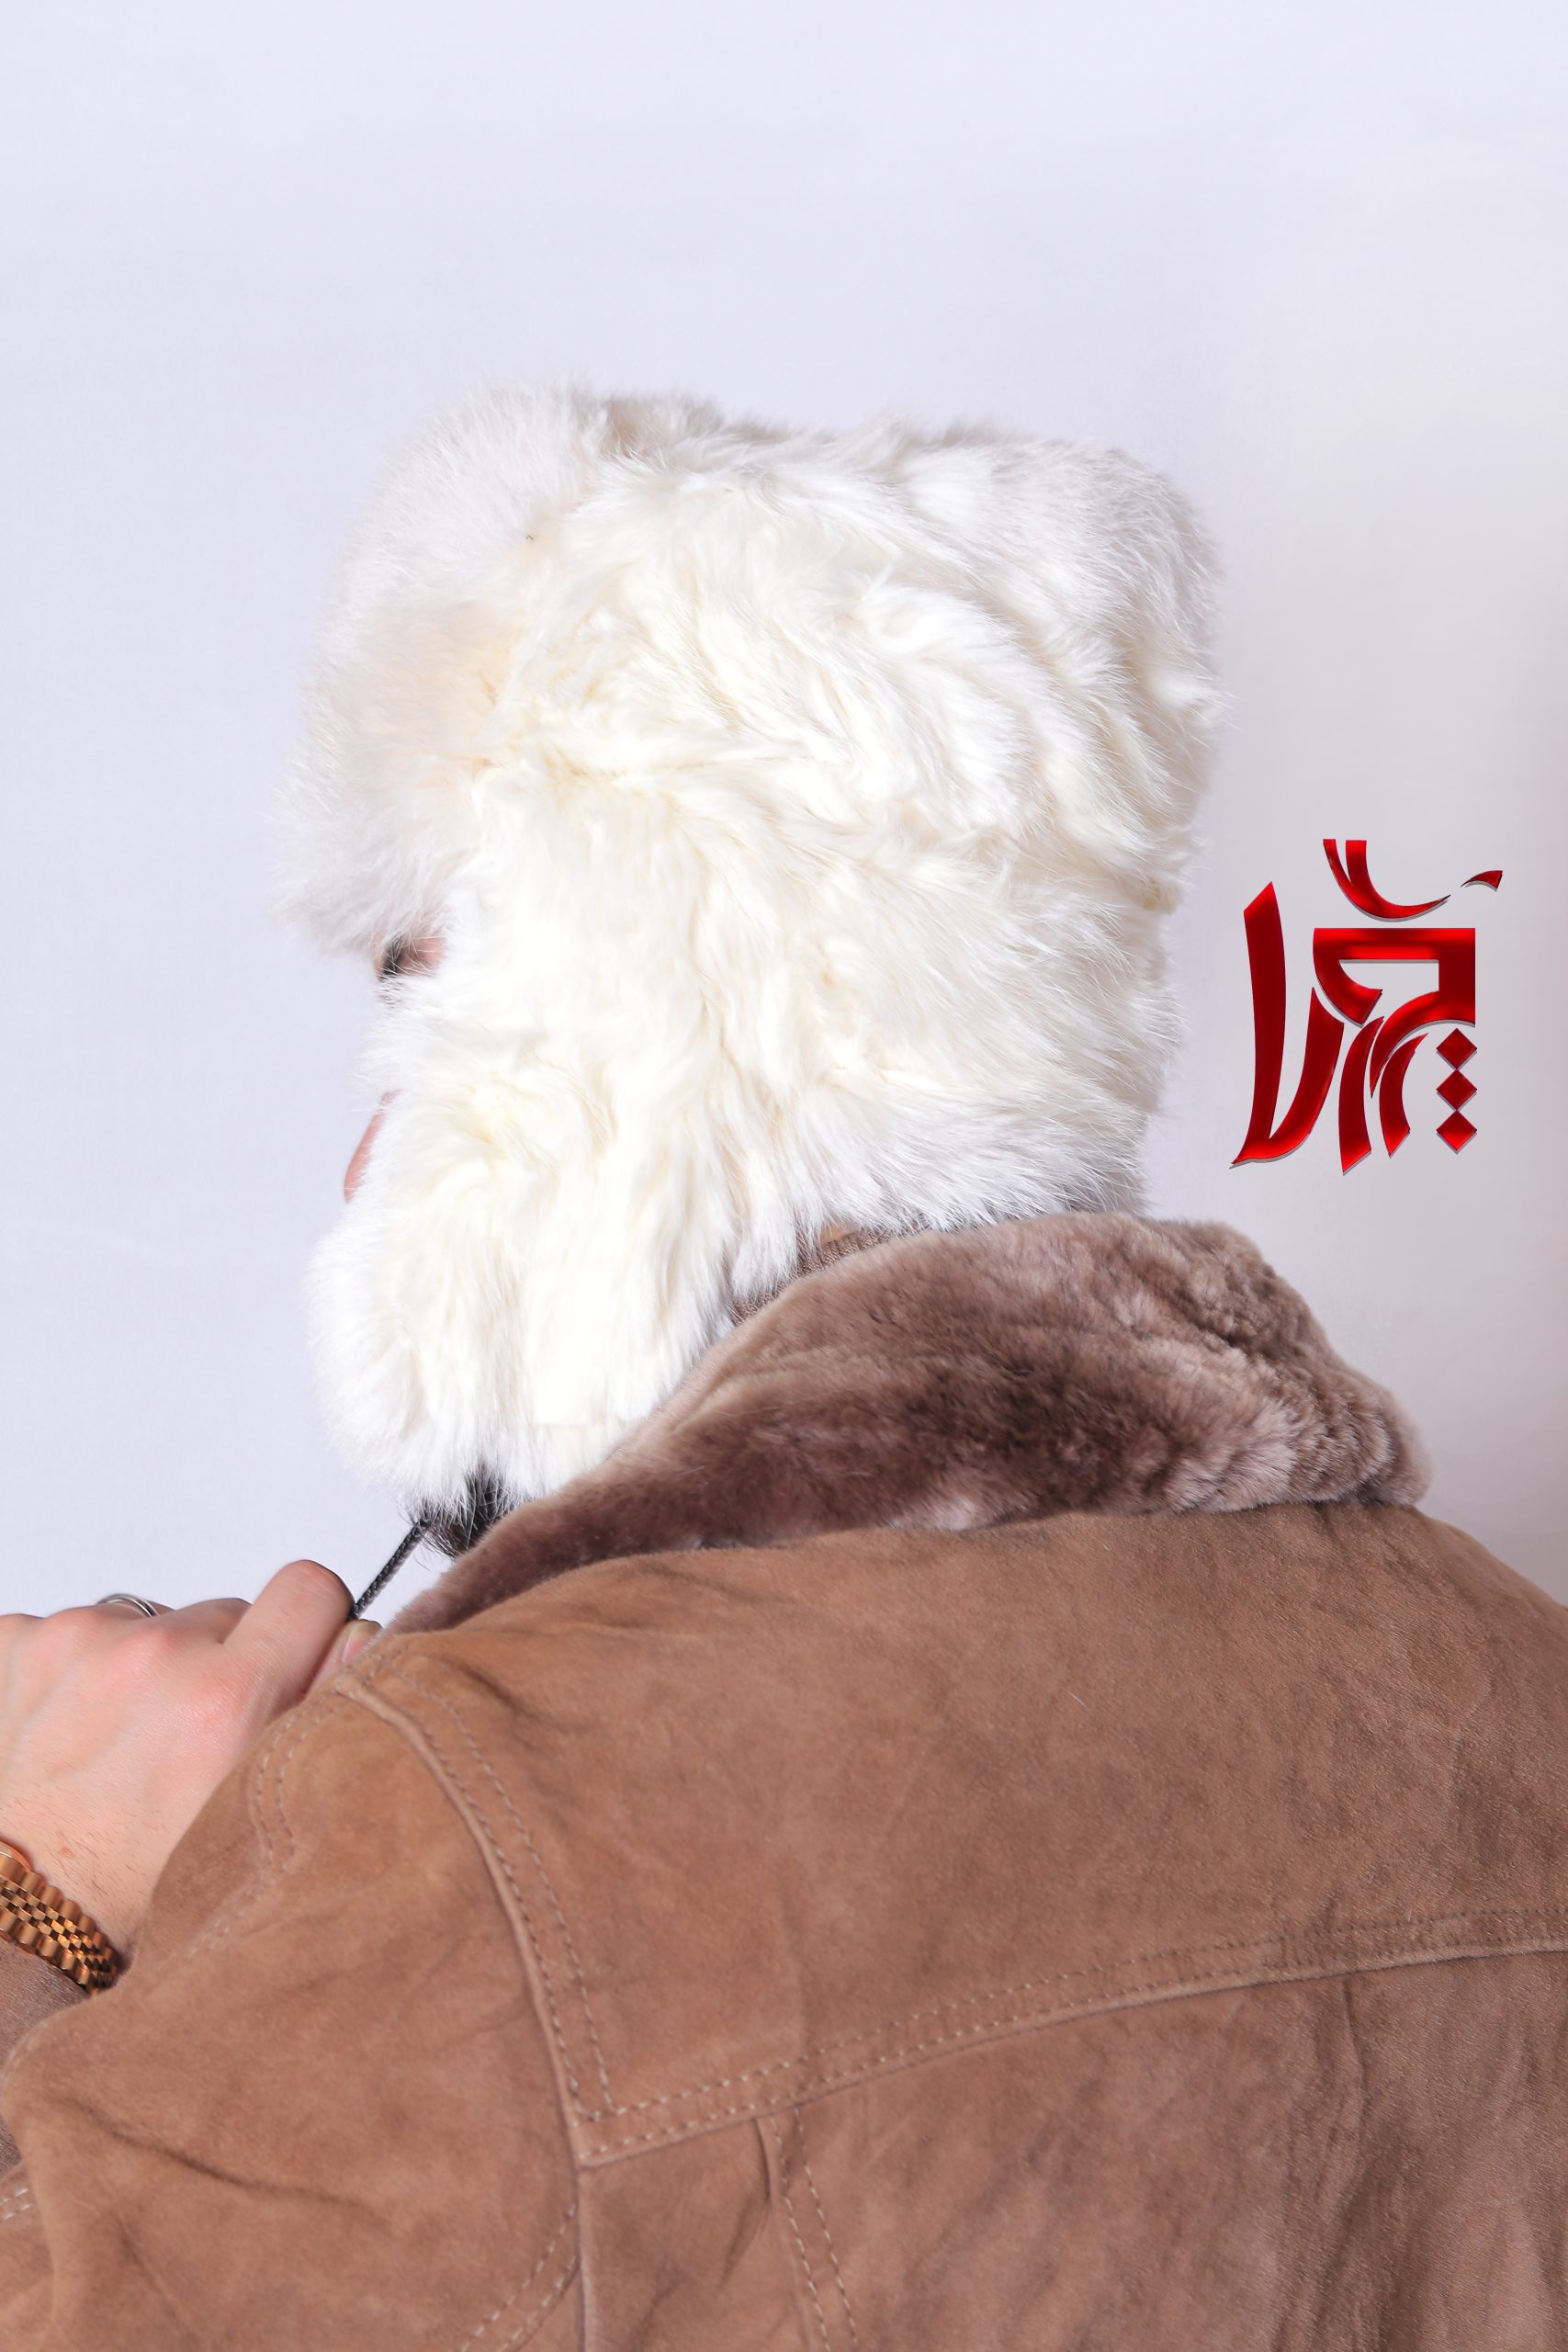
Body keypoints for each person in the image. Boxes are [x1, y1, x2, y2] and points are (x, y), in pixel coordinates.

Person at [2, 390, 1564, 2348]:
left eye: (422, 1036)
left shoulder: (470, 1827)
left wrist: (45, 1893)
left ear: (614, 1078)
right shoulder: (1518, 1692)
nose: (359, 1167)